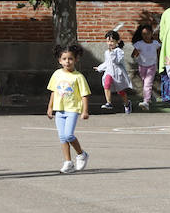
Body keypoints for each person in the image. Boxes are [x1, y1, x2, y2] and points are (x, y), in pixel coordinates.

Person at [46, 44, 91, 174]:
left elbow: (84, 95)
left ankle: (81, 154)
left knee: (69, 135)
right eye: (64, 59)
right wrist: (50, 108)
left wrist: (85, 111)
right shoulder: (56, 74)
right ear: (59, 60)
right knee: (62, 137)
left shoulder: (78, 77)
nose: (67, 61)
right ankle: (68, 162)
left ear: (76, 59)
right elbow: (54, 92)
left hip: (72, 109)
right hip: (59, 109)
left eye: (70, 58)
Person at [95, 30, 133, 113]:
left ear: (116, 41)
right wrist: (100, 68)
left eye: (112, 41)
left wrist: (112, 53)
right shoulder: (107, 52)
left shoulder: (119, 51)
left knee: (121, 91)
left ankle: (127, 103)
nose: (110, 43)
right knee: (106, 83)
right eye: (108, 41)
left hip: (117, 73)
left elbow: (117, 61)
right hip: (109, 72)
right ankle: (108, 102)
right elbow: (107, 63)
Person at [131, 24, 161, 110]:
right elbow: (133, 55)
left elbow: (159, 53)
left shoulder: (155, 43)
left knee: (147, 83)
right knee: (145, 83)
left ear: (151, 33)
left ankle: (146, 102)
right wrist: (137, 53)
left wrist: (160, 62)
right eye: (143, 34)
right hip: (142, 66)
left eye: (147, 33)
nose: (146, 36)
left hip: (152, 66)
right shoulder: (139, 44)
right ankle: (150, 96)